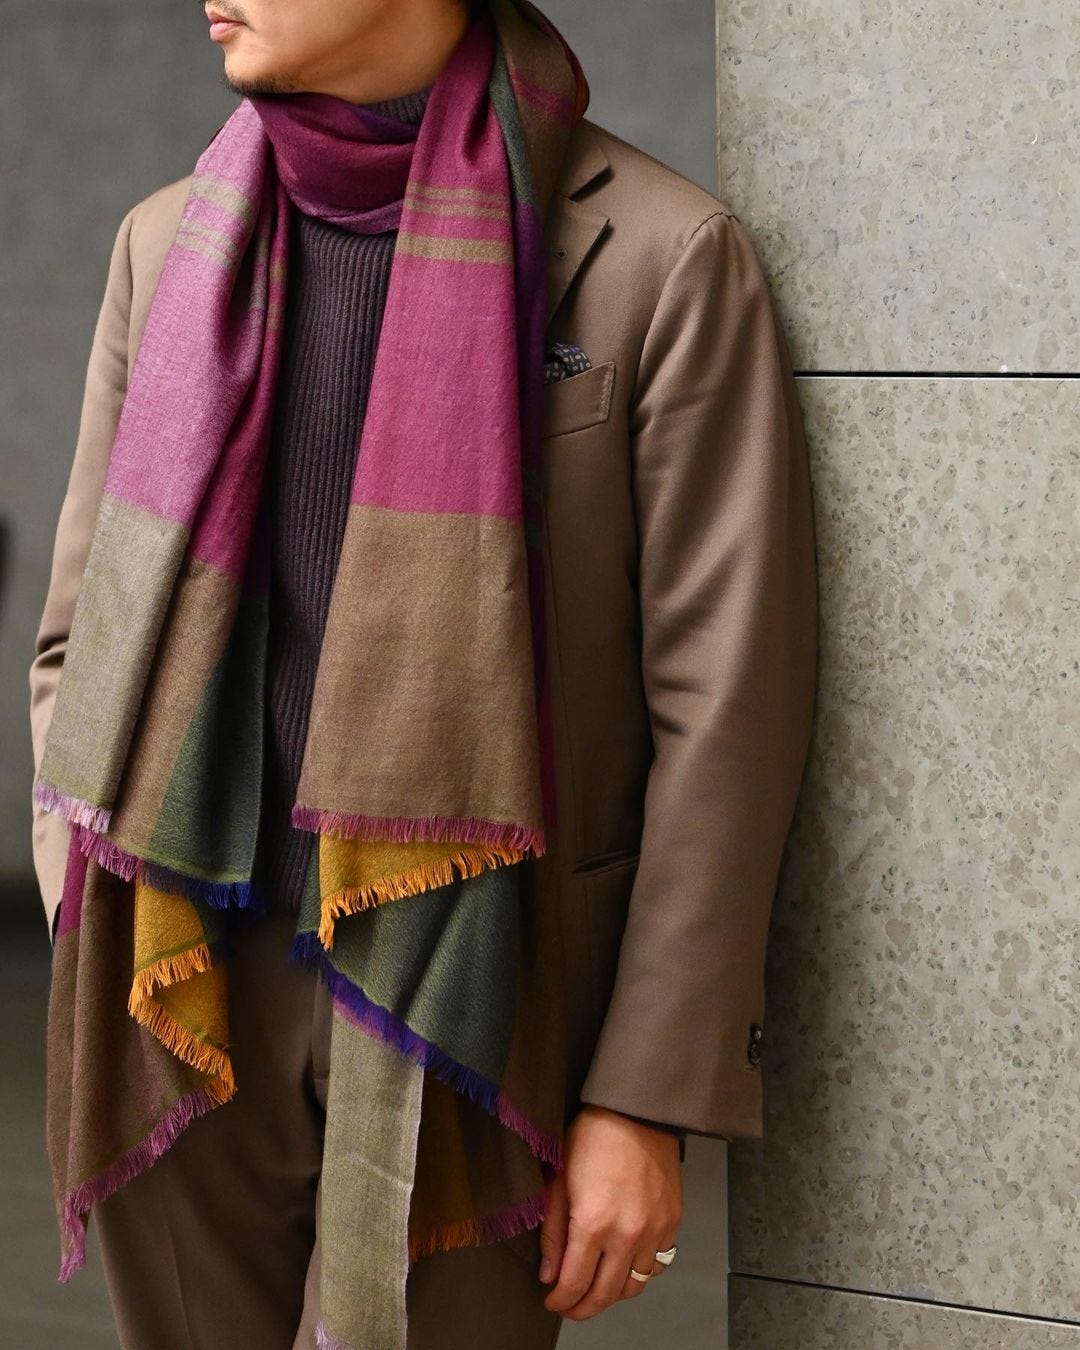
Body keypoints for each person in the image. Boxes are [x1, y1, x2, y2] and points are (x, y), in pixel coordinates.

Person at [27, 0, 817, 1345]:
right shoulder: (168, 244)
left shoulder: (659, 261)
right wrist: (86, 911)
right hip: (179, 991)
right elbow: (74, 646)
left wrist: (641, 1096)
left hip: (479, 1013)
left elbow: (726, 718)